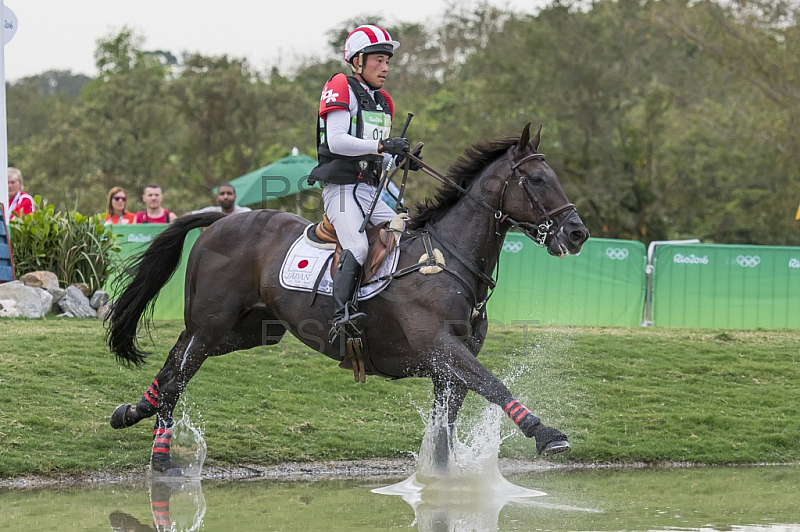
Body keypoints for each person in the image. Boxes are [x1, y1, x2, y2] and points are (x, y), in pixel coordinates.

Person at [308, 24, 421, 345]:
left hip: (370, 190)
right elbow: (338, 140)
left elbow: (379, 158)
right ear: (357, 60)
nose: (386, 67)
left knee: (404, 234)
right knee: (357, 246)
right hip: (340, 189)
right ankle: (340, 316)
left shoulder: (383, 101)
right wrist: (384, 147)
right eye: (379, 60)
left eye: (388, 61)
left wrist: (398, 160)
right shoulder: (340, 84)